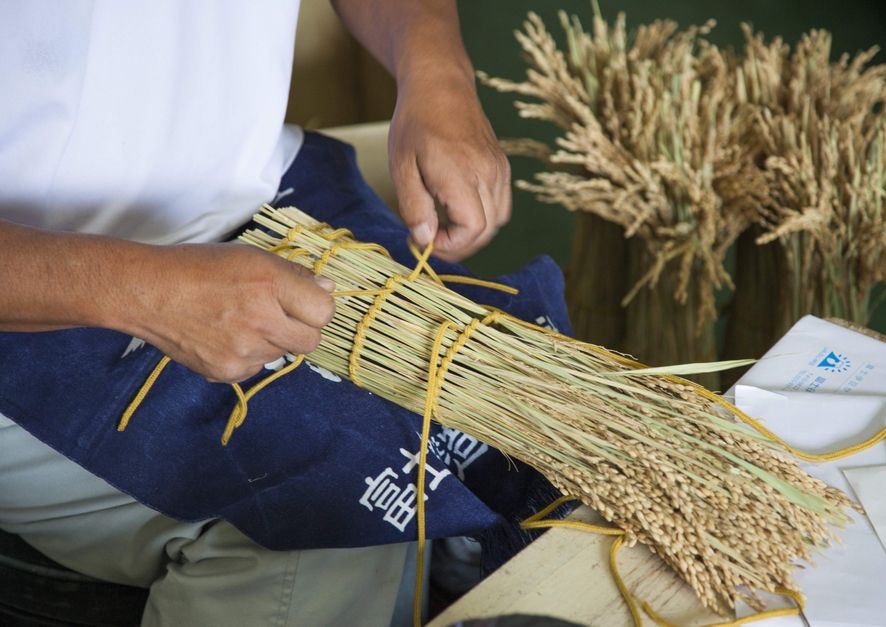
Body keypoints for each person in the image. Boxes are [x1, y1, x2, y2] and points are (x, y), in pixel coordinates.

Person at [0, 0, 511, 625]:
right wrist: (145, 291)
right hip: (33, 295)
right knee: (327, 518)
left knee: (496, 405)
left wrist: (437, 71)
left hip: (268, 202)